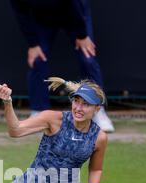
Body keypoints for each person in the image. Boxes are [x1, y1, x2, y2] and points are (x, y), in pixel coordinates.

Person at [10, 0, 115, 132]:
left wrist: (82, 35)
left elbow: (74, 5)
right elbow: (21, 13)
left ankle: (97, 111)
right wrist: (33, 44)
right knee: (37, 59)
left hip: (75, 12)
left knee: (87, 58)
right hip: (42, 17)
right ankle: (39, 112)